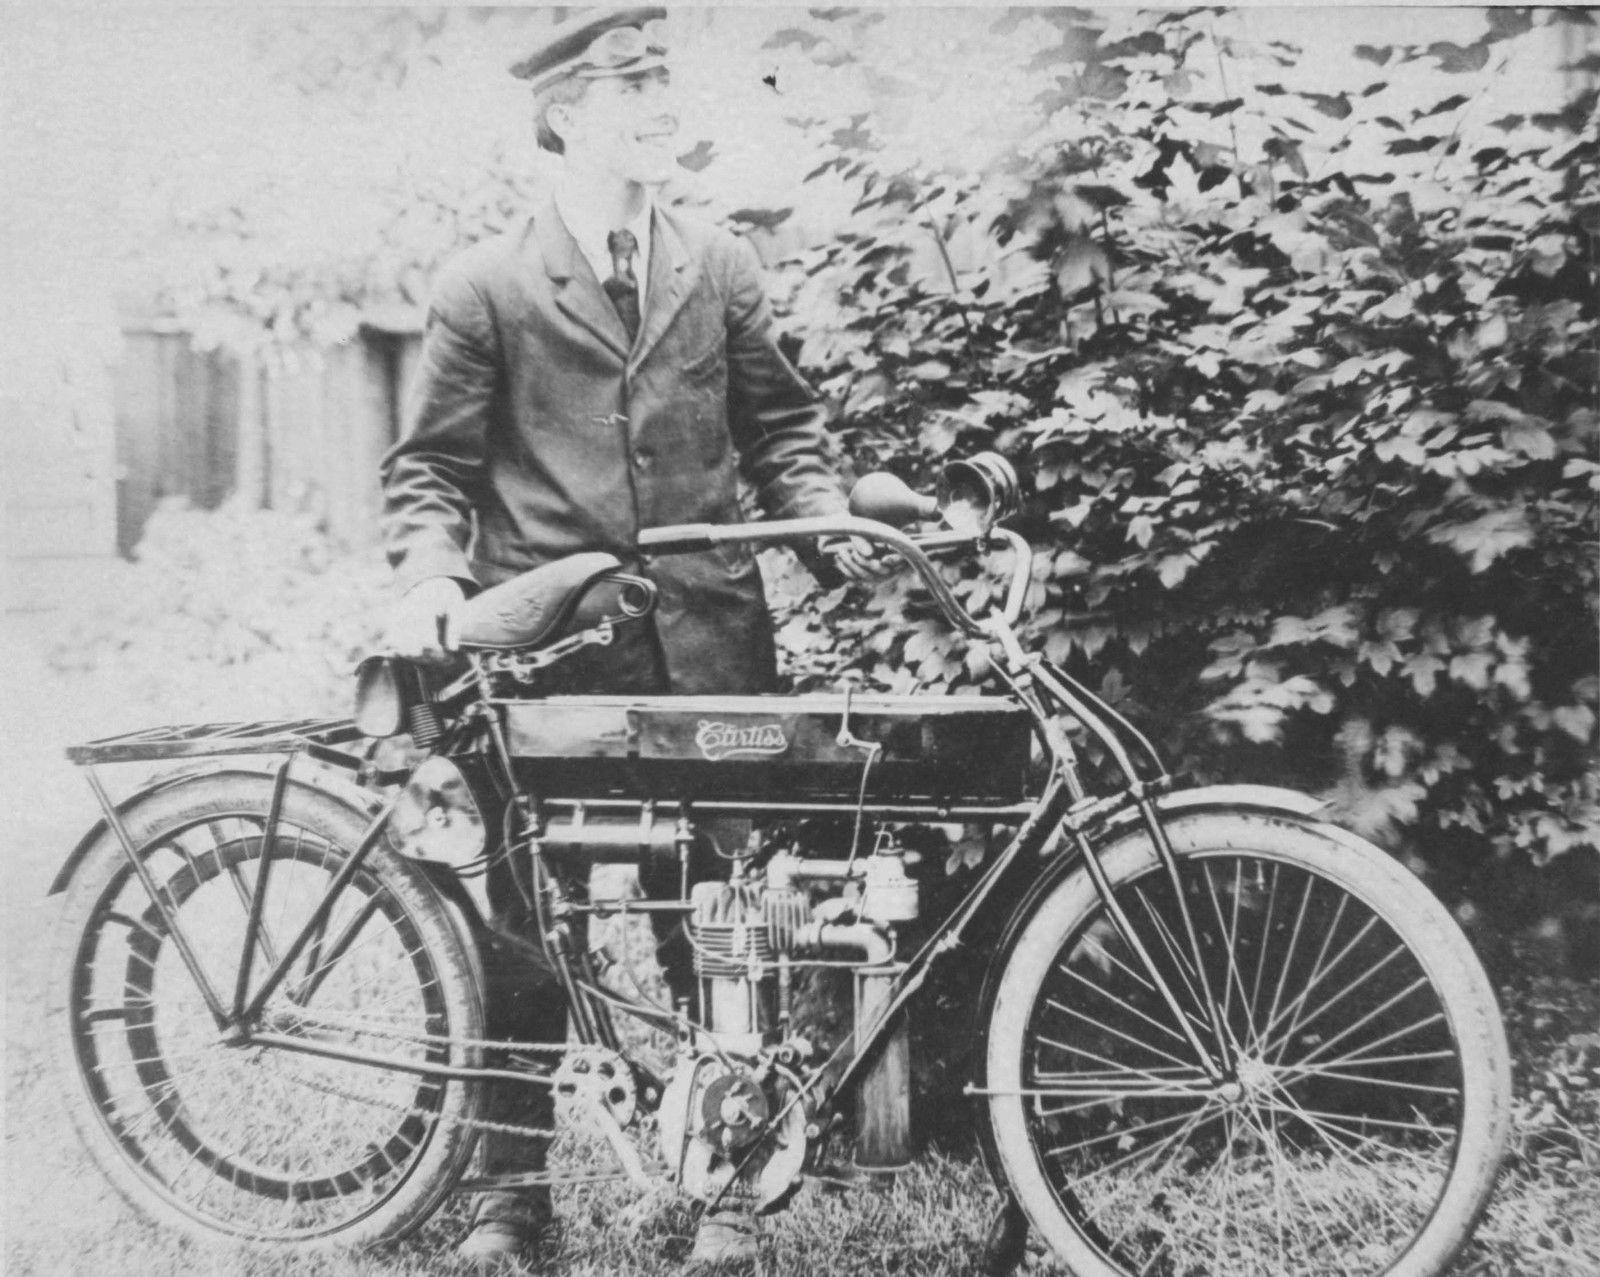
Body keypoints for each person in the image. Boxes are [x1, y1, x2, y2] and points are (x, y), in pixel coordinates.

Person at [378, 8, 883, 1267]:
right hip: (545, 662)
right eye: (631, 84)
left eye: (665, 78)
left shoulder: (718, 264)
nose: (661, 103)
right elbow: (431, 469)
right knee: (523, 938)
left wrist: (832, 530)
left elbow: (782, 432)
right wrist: (432, 572)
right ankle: (508, 1194)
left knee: (723, 921)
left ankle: (727, 1189)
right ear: (565, 114)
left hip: (710, 648)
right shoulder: (485, 284)